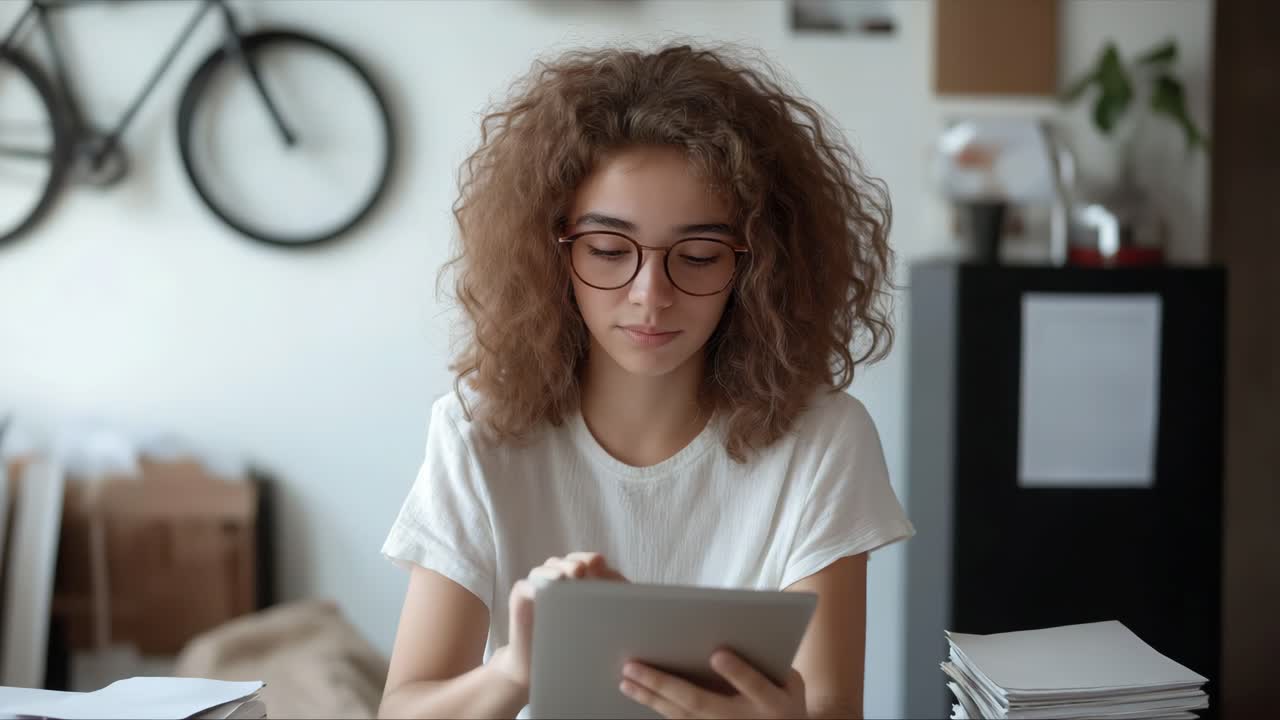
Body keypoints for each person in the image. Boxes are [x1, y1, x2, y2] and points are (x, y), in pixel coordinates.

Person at [377, 42, 914, 720]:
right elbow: (403, 709)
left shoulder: (824, 440)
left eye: (697, 256)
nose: (650, 295)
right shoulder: (477, 432)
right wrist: (515, 669)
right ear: (554, 250)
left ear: (758, 267)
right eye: (608, 250)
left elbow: (834, 709)